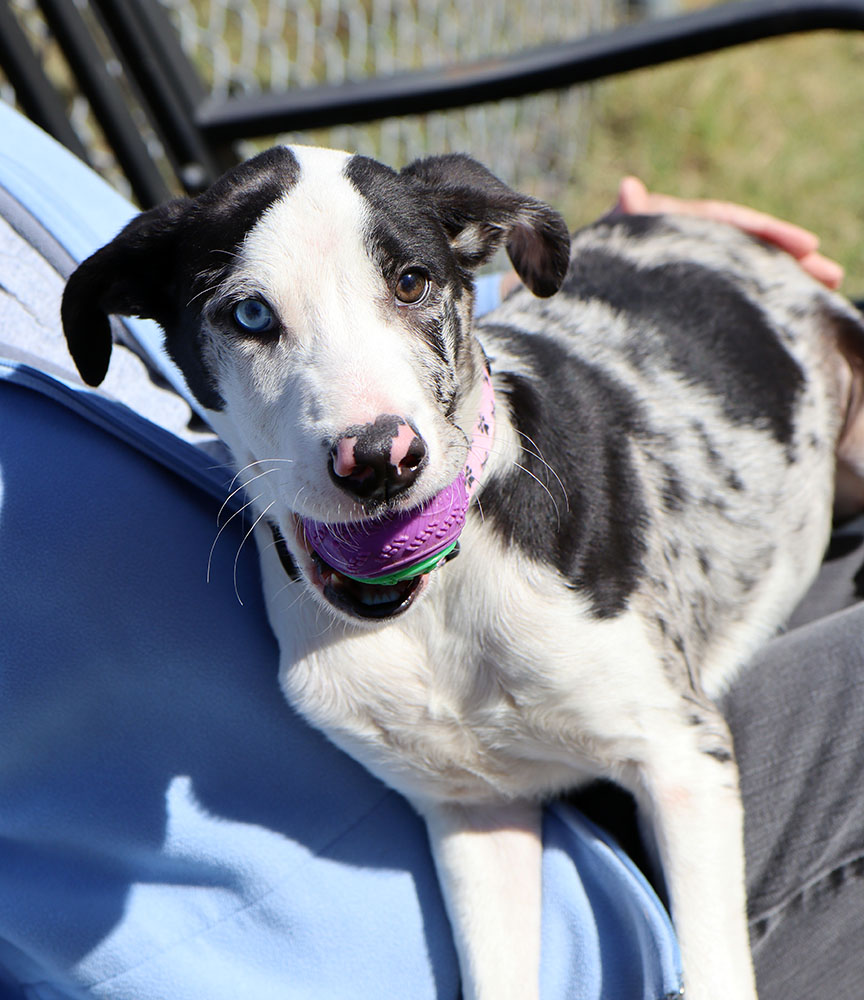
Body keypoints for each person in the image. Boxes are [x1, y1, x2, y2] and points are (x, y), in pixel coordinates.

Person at [0, 99, 861, 1000]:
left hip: (738, 471)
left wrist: (606, 265)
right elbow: (482, 791)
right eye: (252, 315)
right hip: (599, 906)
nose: (374, 445)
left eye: (407, 285)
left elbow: (338, 279)